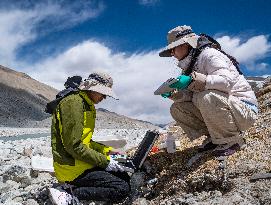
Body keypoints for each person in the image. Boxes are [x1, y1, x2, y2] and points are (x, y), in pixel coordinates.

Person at [159, 25, 258, 157]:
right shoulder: (190, 64)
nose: (172, 54)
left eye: (173, 49)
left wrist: (193, 80)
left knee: (207, 97)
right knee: (177, 108)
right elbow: (192, 96)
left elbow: (227, 82)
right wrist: (176, 94)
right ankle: (214, 137)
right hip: (228, 107)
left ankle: (233, 140)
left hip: (244, 109)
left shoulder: (209, 55)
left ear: (186, 44)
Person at [49, 72, 130, 205]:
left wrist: (107, 151)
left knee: (123, 175)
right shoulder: (73, 103)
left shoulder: (86, 103)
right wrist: (106, 162)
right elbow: (74, 146)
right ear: (92, 87)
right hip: (72, 168)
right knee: (121, 188)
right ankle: (69, 193)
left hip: (80, 162)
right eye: (102, 93)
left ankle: (74, 188)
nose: (104, 97)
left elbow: (85, 141)